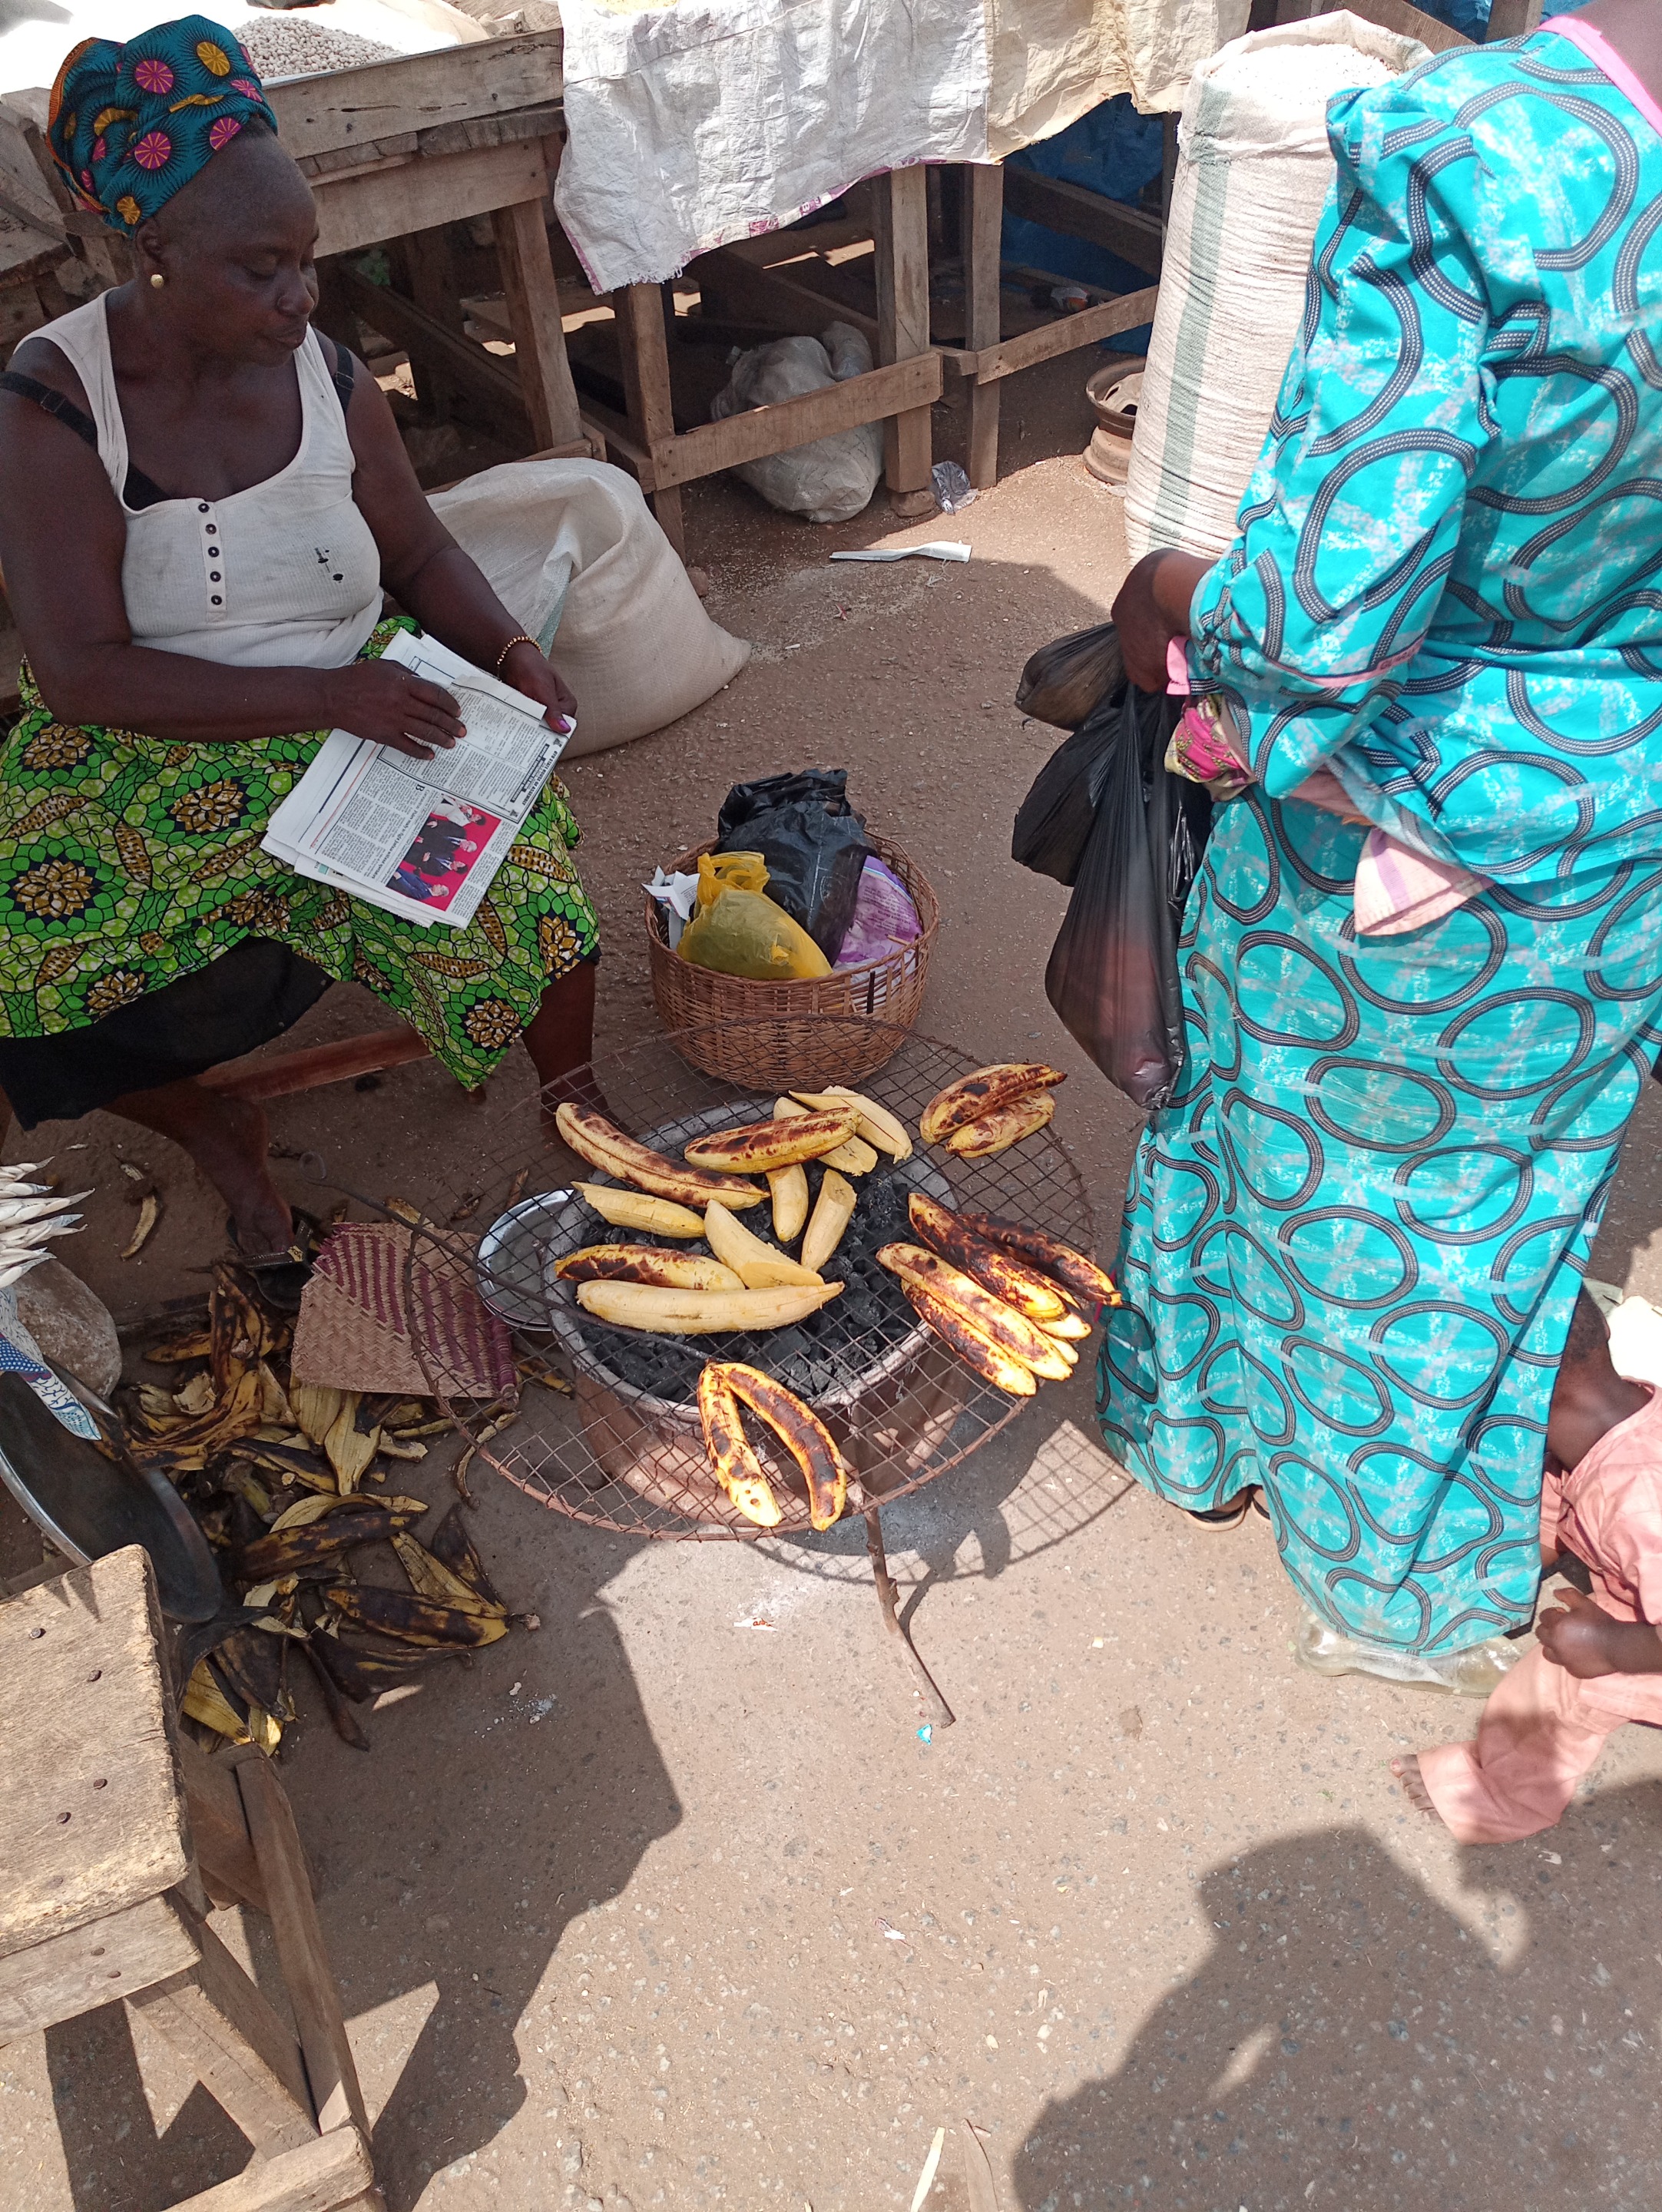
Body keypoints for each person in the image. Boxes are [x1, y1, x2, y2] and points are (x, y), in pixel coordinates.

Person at [1099, 2, 1662, 1687]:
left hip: (1416, 822)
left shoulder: (1476, 150)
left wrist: (1165, 598)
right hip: (1611, 825)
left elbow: (1317, 624)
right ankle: (1419, 1549)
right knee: (1490, 1212)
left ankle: (1245, 1471)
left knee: (1315, 1168)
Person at [0, 18, 601, 1265]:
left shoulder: (327, 375)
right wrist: (330, 699)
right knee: (22, 952)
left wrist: (506, 654)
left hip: (360, 697)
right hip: (150, 733)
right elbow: (80, 672)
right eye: (262, 269)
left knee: (533, 900)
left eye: (309, 260)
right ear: (156, 253)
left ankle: (581, 1112)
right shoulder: (55, 401)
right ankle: (209, 1126)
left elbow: (418, 552)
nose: (303, 295)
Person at [1393, 1293, 1662, 1841]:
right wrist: (1495, 1580)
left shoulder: (1640, 1506)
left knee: (1563, 1681)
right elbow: (1555, 1505)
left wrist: (1610, 1646)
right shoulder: (1612, 1418)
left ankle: (1498, 1796)